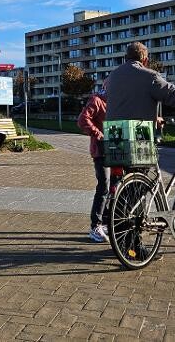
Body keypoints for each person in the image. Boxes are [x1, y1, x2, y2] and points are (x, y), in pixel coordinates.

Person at [106, 42, 175, 128]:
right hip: (137, 138)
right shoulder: (149, 76)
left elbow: (127, 103)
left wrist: (154, 117)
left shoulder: (113, 76)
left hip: (113, 138)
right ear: (145, 60)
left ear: (126, 57)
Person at [77, 80, 110, 243]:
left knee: (113, 188)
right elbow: (83, 120)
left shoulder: (116, 102)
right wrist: (97, 133)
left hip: (115, 151)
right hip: (101, 151)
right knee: (103, 187)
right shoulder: (97, 100)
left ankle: (104, 222)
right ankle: (95, 226)